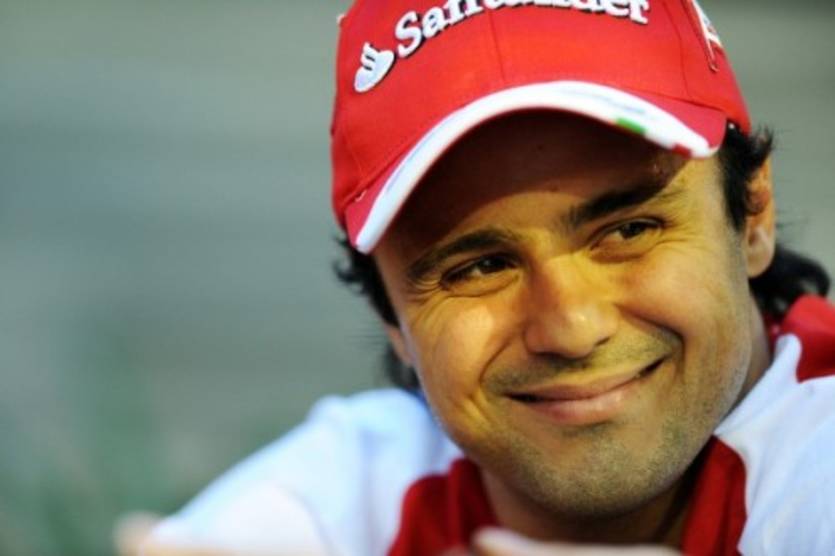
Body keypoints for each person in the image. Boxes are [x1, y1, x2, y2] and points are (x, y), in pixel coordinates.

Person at [142, 0, 835, 554]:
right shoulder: (344, 496)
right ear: (391, 317)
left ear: (752, 217)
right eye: (481, 267)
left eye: (628, 231)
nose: (570, 328)